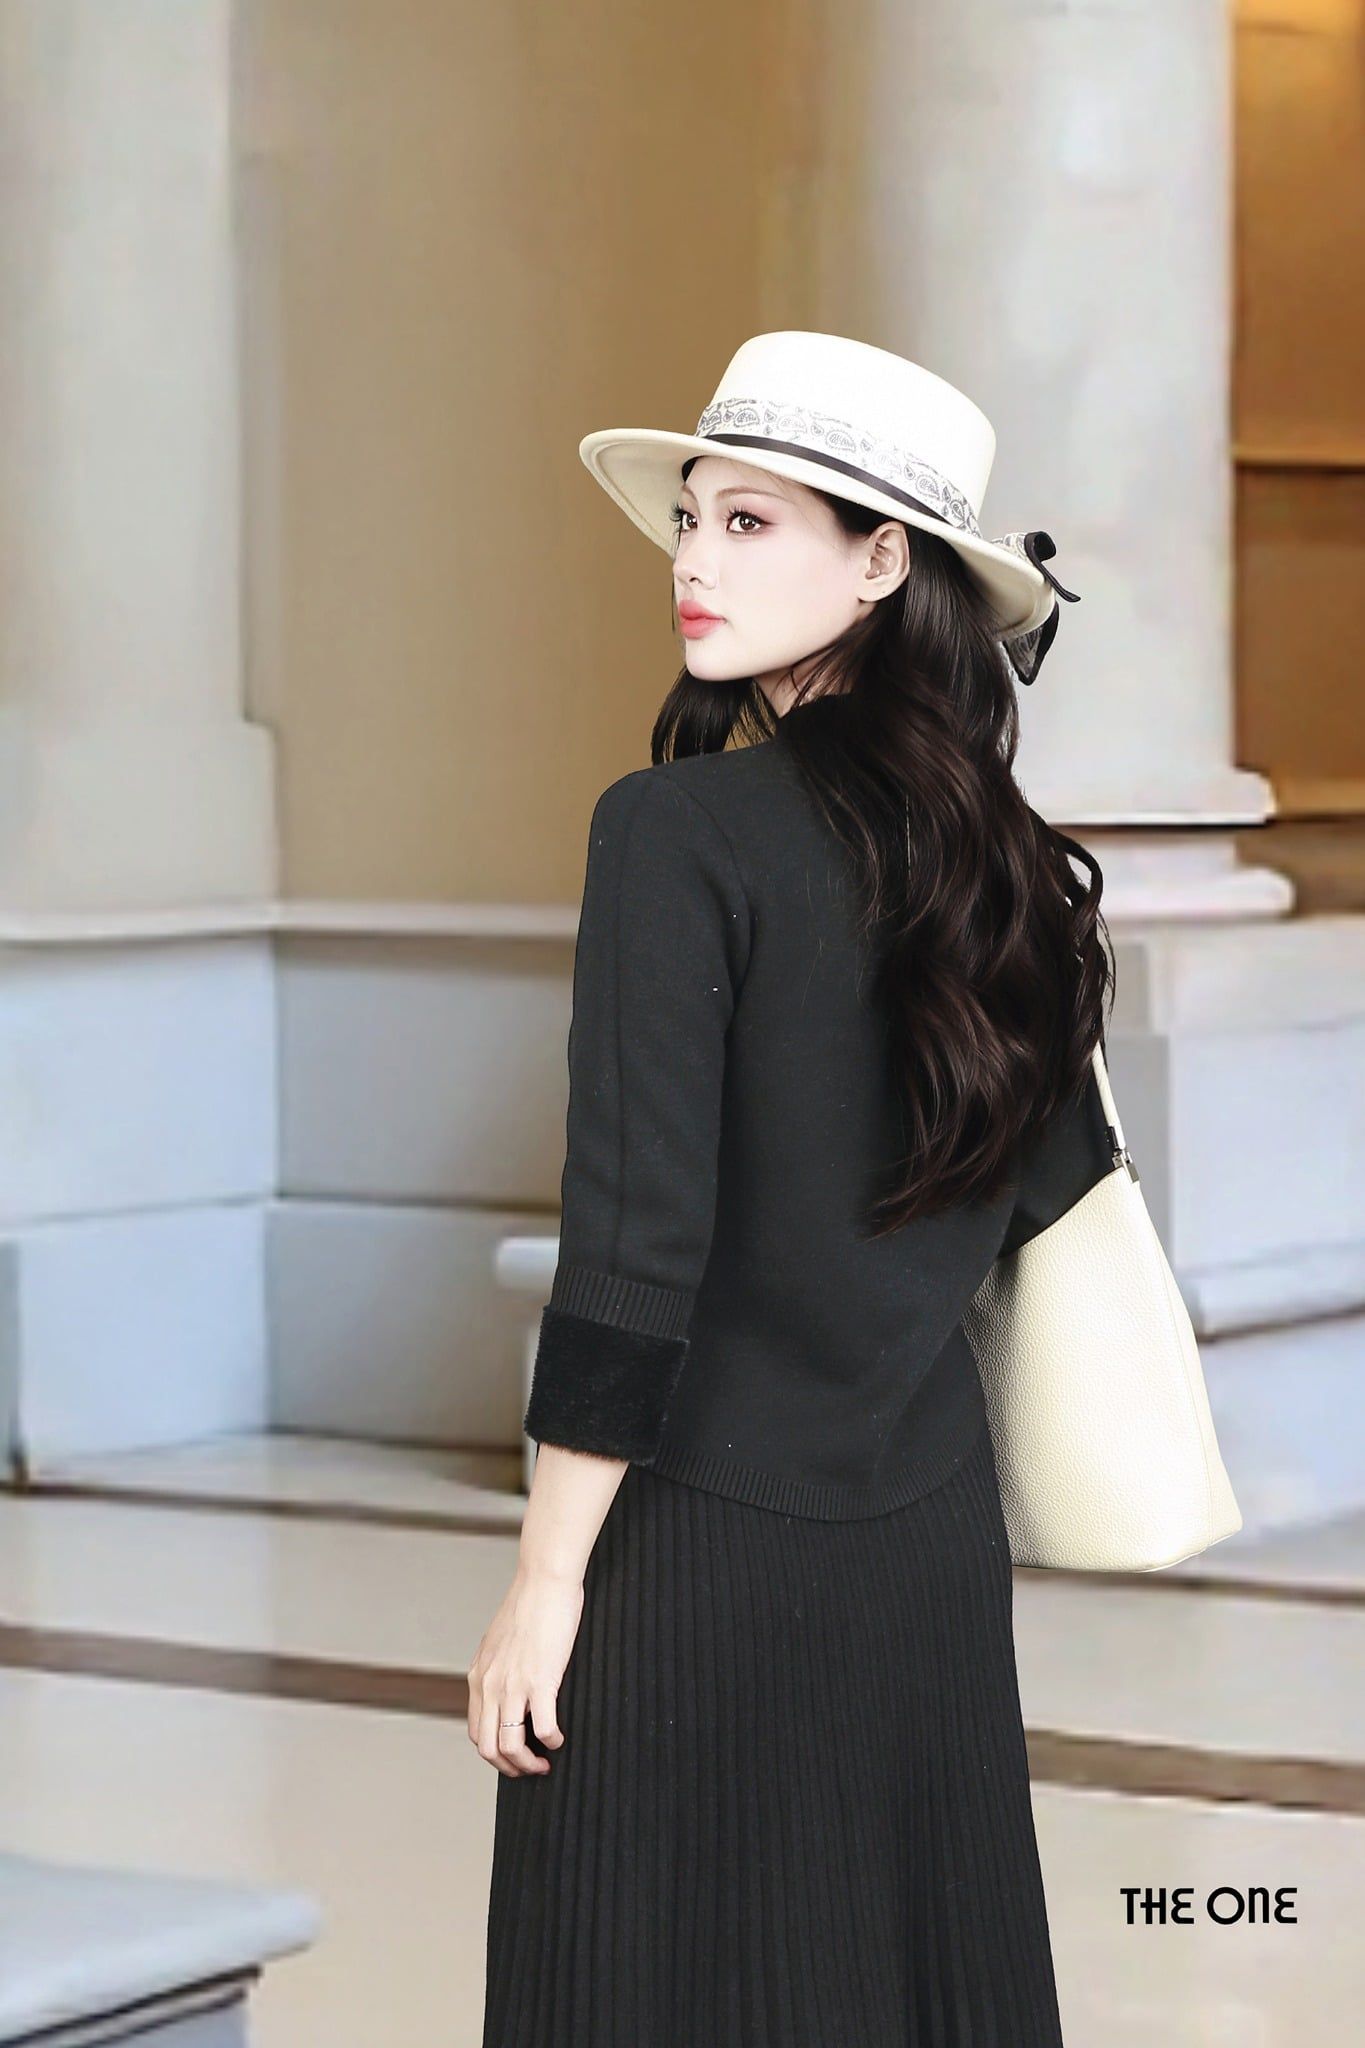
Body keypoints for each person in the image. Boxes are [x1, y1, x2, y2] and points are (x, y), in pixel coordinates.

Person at [473, 331, 1116, 2046]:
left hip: (700, 1541)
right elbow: (1030, 1199)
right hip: (924, 1533)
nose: (692, 558)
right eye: (693, 517)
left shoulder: (671, 833)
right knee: (913, 1988)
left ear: (881, 562)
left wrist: (546, 1579)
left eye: (750, 522)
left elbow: (633, 1244)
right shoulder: (1005, 864)